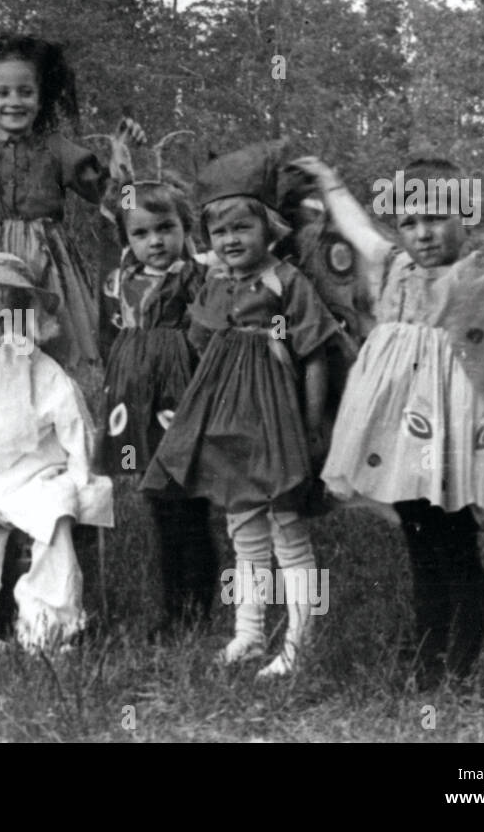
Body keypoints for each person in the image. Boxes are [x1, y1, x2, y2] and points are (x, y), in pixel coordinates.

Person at [297, 154, 484, 688]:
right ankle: (429, 650)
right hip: (397, 431)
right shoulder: (391, 265)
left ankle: (460, 664)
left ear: (465, 218)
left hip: (453, 434)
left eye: (436, 217)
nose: (423, 233)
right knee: (418, 540)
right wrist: (328, 181)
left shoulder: (480, 273)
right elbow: (358, 227)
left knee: (454, 541)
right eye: (409, 221)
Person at [143, 143, 339, 677]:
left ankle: (302, 642)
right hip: (227, 423)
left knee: (287, 529)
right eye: (219, 232)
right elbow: (203, 341)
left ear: (269, 228)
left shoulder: (286, 282)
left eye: (241, 229)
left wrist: (312, 423)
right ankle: (248, 634)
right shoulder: (213, 285)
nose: (230, 241)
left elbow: (315, 352)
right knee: (243, 532)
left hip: (276, 424)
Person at [0, 33, 144, 369]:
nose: (14, 101)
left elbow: (111, 196)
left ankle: (43, 373)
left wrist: (121, 163)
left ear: (40, 99)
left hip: (43, 254)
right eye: (2, 93)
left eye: (25, 92)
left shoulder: (58, 149)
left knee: (43, 338)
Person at [0, 251, 114, 657]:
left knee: (54, 520)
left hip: (37, 476)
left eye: (2, 317)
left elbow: (74, 425)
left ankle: (46, 626)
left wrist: (81, 479)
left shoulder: (45, 373)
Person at [98, 174, 217, 641]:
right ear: (127, 240)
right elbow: (112, 338)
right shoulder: (121, 281)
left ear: (186, 227)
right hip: (139, 401)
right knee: (161, 507)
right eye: (141, 233)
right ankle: (175, 609)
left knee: (187, 505)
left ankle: (194, 610)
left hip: (182, 397)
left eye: (165, 228)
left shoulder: (199, 276)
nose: (155, 241)